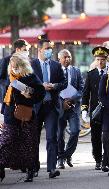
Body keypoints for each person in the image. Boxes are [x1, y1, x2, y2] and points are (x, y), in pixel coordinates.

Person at [0, 53, 45, 182]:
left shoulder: (31, 77)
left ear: (23, 66)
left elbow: (41, 93)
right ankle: (1, 167)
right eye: (12, 66)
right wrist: (2, 115)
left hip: (26, 114)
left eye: (17, 66)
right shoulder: (10, 78)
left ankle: (30, 170)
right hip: (10, 114)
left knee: (28, 143)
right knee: (6, 142)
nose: (14, 68)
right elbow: (5, 98)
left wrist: (30, 94)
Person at [31, 39, 67, 178]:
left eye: (50, 48)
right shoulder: (32, 65)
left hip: (51, 106)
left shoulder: (56, 65)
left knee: (52, 137)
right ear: (39, 50)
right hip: (36, 106)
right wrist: (41, 86)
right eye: (47, 48)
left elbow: (64, 82)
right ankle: (33, 167)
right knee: (34, 138)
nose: (49, 51)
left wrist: (55, 86)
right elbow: (27, 81)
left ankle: (51, 168)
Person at [81, 46, 109, 172]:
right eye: (98, 59)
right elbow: (85, 93)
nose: (100, 62)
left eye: (102, 60)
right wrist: (84, 110)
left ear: (106, 60)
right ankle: (98, 159)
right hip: (95, 111)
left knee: (108, 136)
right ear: (95, 60)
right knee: (95, 137)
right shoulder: (90, 74)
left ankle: (107, 160)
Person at [57, 49, 84, 169]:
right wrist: (62, 102)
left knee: (75, 131)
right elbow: (53, 89)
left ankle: (67, 154)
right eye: (65, 57)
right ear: (59, 59)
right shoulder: (55, 72)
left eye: (69, 57)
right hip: (59, 108)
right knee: (59, 135)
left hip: (73, 107)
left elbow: (81, 88)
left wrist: (72, 99)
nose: (67, 59)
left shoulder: (76, 71)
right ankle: (60, 158)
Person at [0, 39, 30, 108]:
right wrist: (10, 83)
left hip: (25, 98)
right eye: (25, 50)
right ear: (18, 49)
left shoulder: (29, 61)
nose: (27, 52)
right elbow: (1, 78)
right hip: (10, 98)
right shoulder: (6, 60)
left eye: (27, 50)